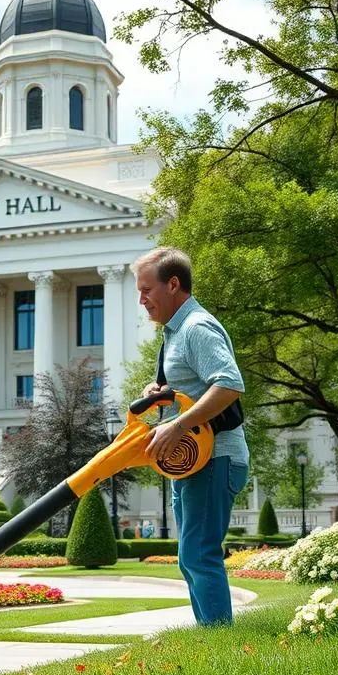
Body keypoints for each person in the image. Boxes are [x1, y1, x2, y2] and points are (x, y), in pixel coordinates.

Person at [135, 247, 250, 627]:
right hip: (194, 462)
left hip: (215, 459)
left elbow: (230, 385)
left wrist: (178, 424)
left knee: (199, 555)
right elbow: (197, 387)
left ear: (173, 284)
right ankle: (213, 636)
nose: (142, 300)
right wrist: (163, 392)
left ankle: (220, 641)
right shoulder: (175, 333)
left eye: (147, 290)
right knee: (191, 557)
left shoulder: (195, 327)